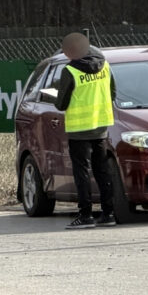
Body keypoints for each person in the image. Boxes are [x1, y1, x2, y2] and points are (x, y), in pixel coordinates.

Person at [54, 32, 117, 229]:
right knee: (102, 170)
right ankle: (109, 213)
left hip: (79, 129)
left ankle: (86, 215)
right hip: (101, 127)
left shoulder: (70, 71)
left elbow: (61, 104)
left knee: (81, 172)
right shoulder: (105, 66)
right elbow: (113, 92)